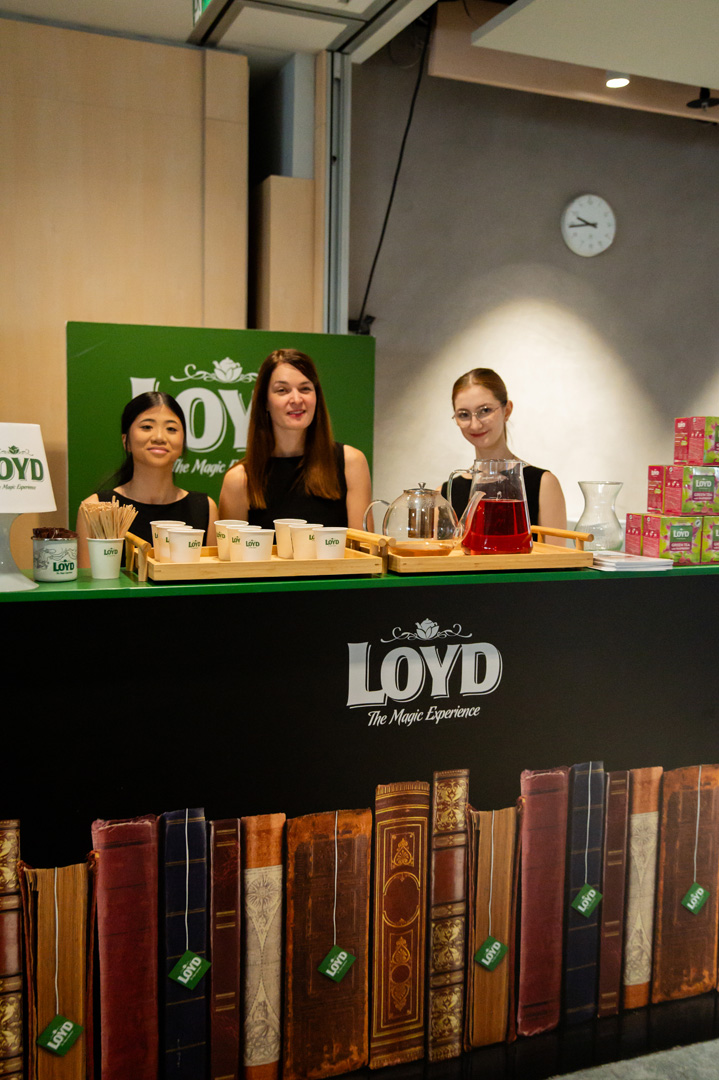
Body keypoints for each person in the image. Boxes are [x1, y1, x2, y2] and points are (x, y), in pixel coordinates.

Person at [219, 348, 372, 530]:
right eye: (282, 390)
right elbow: (232, 549)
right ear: (265, 401)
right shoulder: (239, 480)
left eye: (305, 389)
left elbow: (364, 545)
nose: (297, 399)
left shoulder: (351, 463)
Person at [77, 391, 217, 566]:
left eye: (171, 429)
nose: (159, 437)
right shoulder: (96, 509)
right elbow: (89, 581)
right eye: (146, 427)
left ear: (183, 443)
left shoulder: (205, 508)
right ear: (125, 441)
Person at [441, 368, 566, 541]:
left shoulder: (543, 483)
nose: (475, 424)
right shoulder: (446, 492)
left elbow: (558, 556)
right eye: (464, 415)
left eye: (485, 410)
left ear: (506, 410)